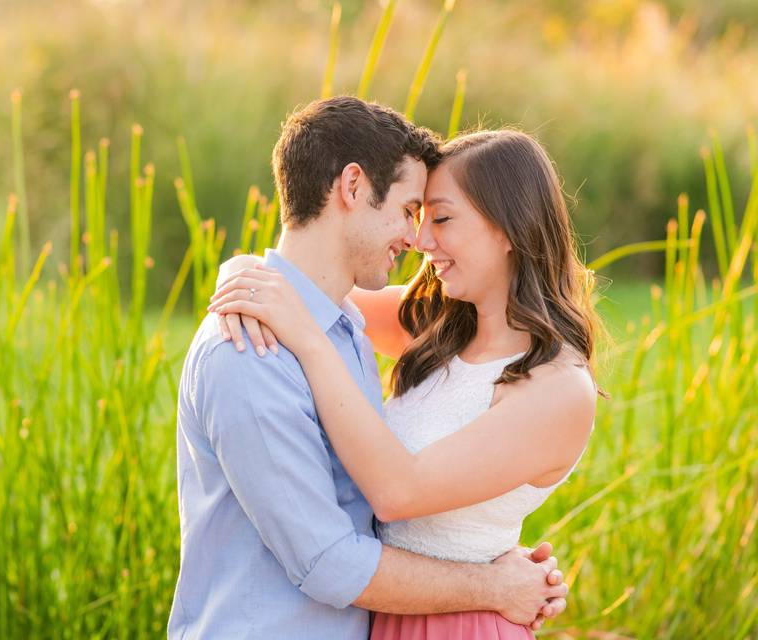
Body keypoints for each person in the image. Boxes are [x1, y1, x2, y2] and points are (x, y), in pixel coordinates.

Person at [169, 98, 568, 640]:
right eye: (411, 211)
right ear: (353, 187)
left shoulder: (343, 327)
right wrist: (494, 586)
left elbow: (395, 502)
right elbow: (330, 561)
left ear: (507, 228)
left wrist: (499, 571)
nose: (418, 240)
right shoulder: (250, 349)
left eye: (436, 218)